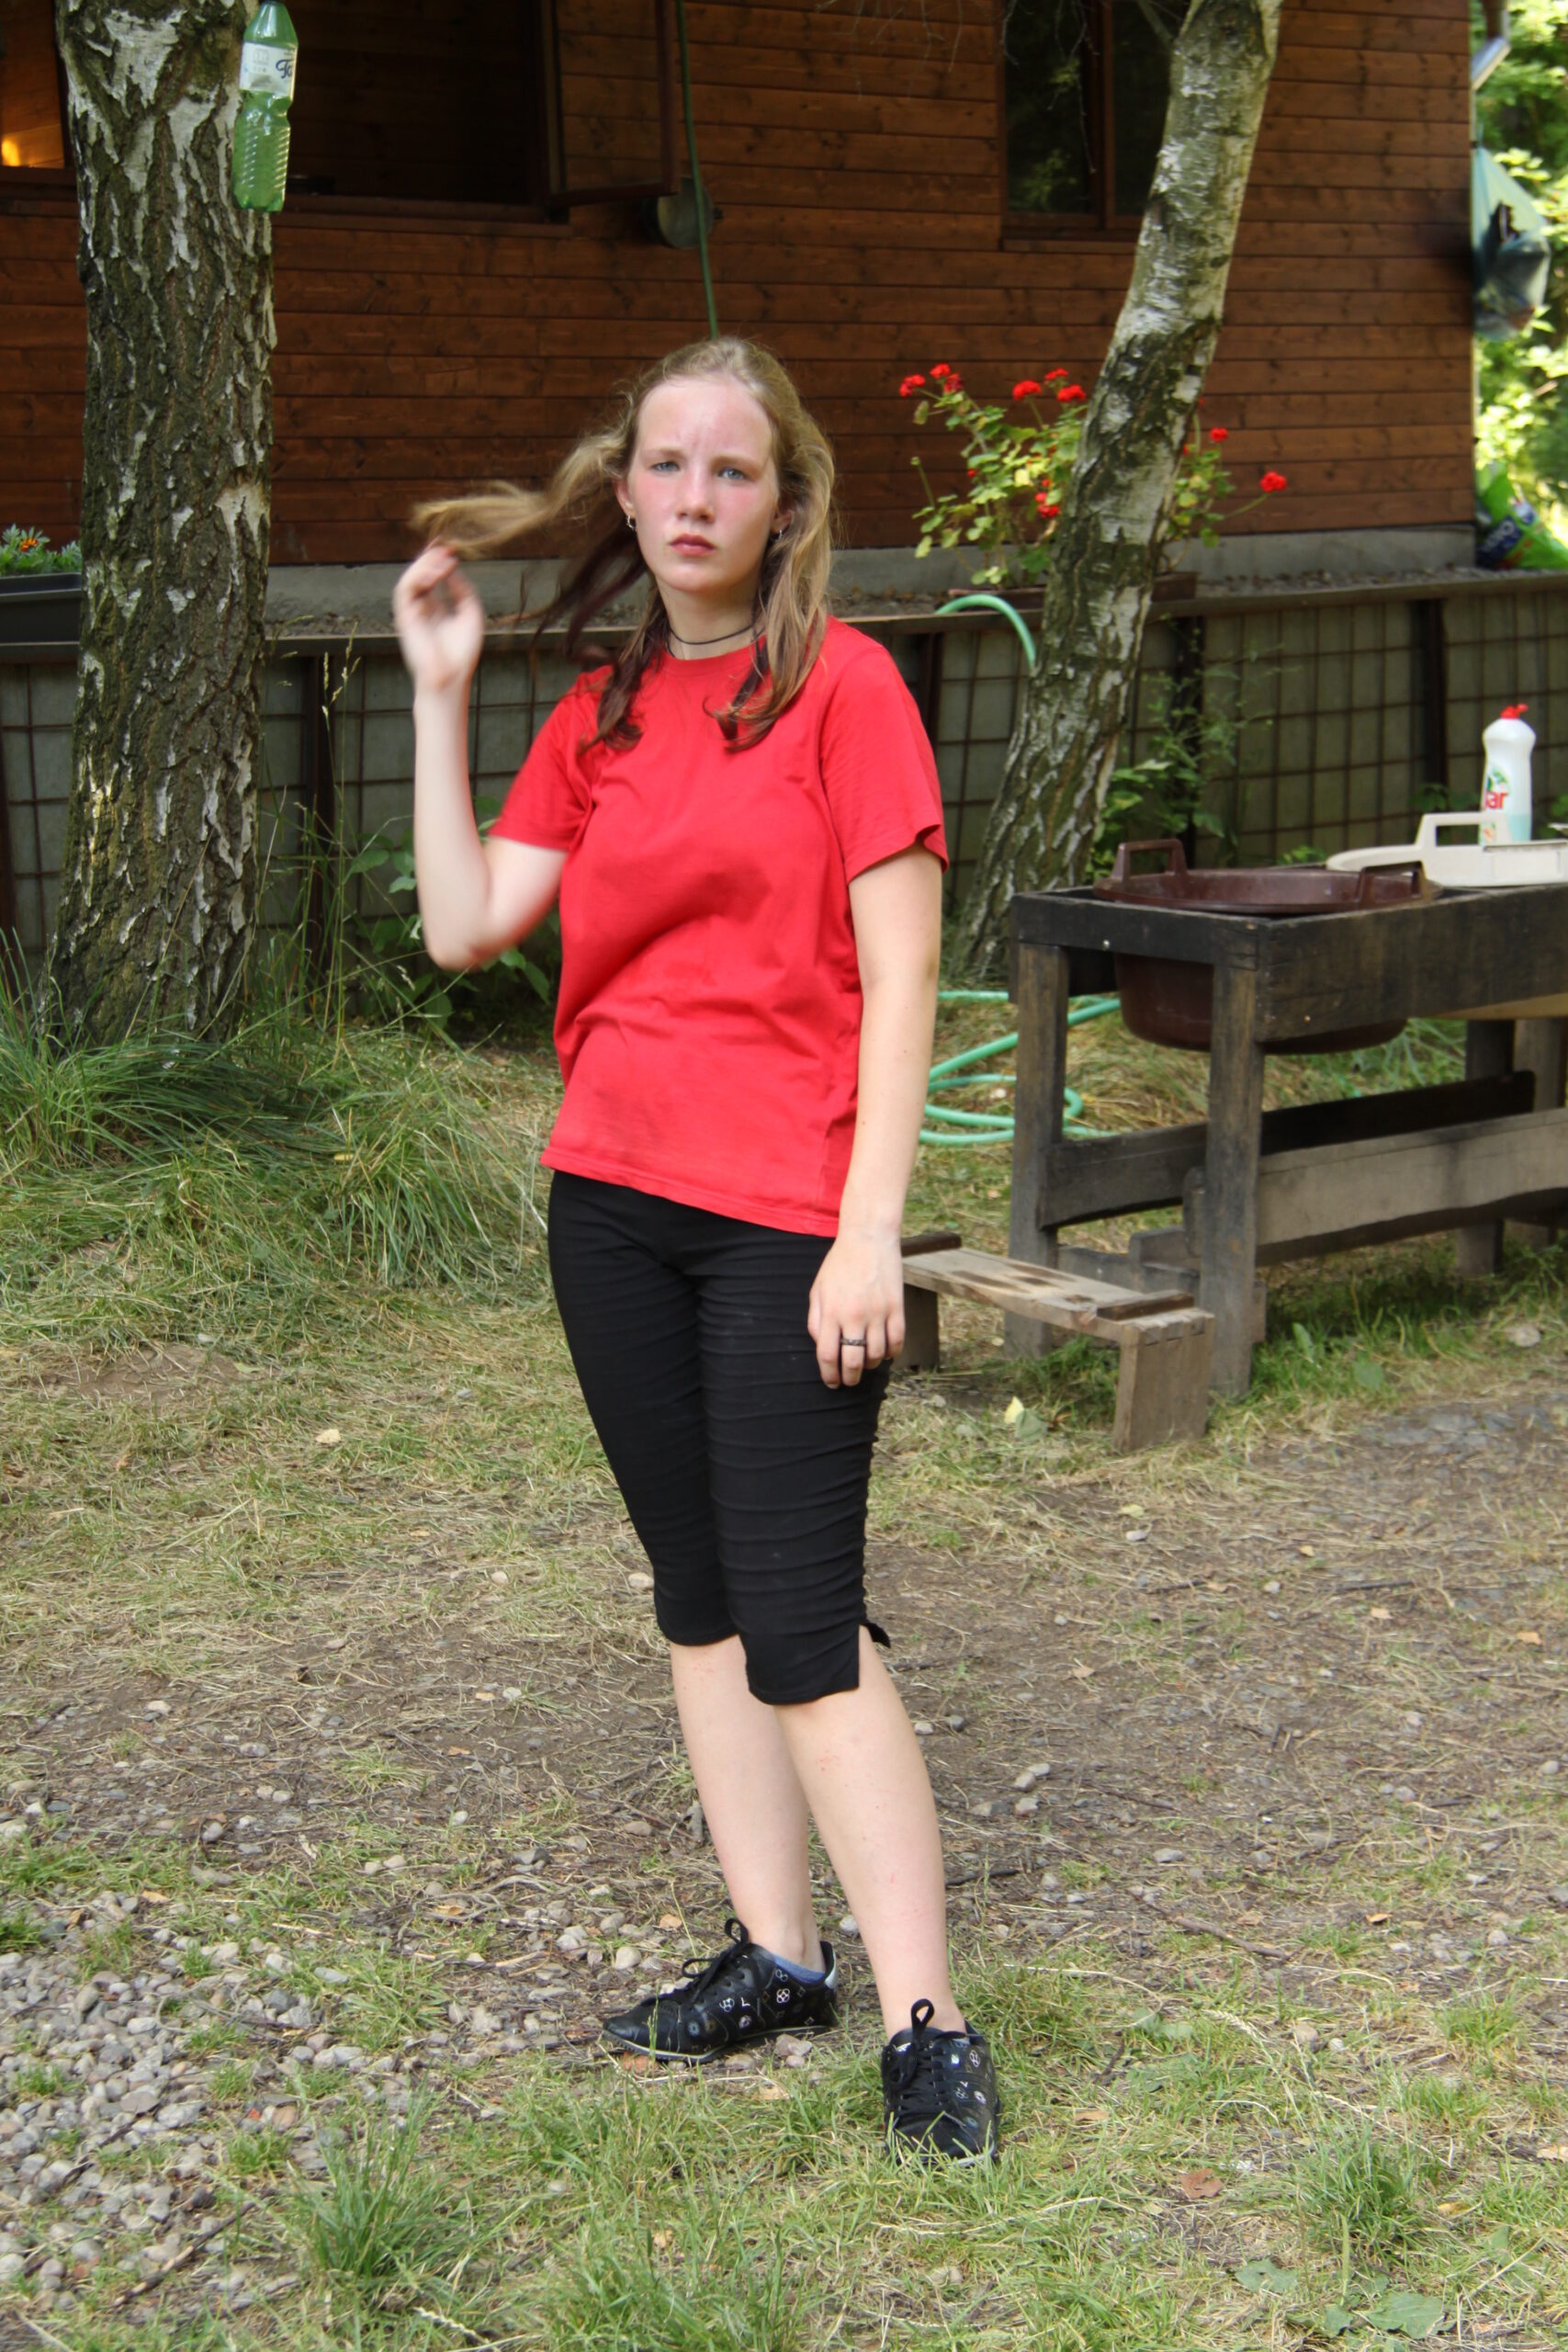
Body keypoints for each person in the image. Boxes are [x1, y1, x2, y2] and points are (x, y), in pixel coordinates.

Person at [391, 335, 998, 2163]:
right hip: (612, 1206)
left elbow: (904, 977)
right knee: (700, 1595)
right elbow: (462, 926)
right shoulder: (604, 711)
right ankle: (776, 1955)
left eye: (730, 469)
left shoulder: (847, 692)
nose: (690, 496)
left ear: (784, 505)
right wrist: (440, 695)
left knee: (802, 1618)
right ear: (626, 485)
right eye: (664, 463)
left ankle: (926, 2019)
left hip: (787, 1220)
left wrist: (867, 1233)